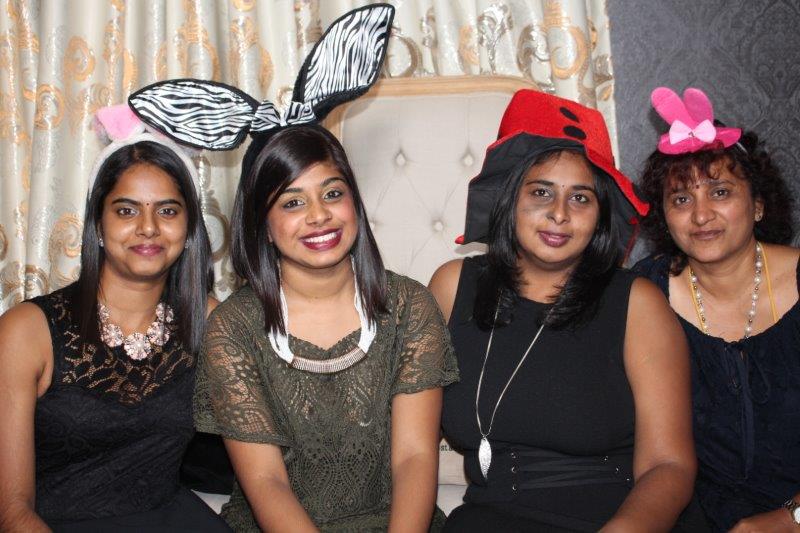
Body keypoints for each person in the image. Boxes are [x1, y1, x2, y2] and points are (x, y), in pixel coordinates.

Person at [130, 5, 457, 531]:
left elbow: (415, 457)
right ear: (262, 223)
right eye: (292, 202)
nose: (319, 215)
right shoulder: (233, 330)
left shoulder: (409, 307)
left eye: (333, 193)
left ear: (354, 202)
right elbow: (266, 482)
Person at [430, 90, 708, 532]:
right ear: (509, 198)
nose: (559, 213)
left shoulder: (638, 303)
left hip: (614, 518)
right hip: (487, 519)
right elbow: (410, 444)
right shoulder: (451, 288)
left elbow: (669, 465)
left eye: (580, 198)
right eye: (541, 192)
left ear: (599, 216)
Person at [0, 104, 229, 531]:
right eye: (126, 210)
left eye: (167, 210)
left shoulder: (210, 320)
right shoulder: (27, 331)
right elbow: (11, 509)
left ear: (189, 229)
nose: (148, 227)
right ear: (98, 226)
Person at [633, 86, 800, 532]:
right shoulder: (645, 295)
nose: (701, 215)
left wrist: (790, 518)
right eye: (681, 199)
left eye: (720, 192)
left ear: (758, 205)